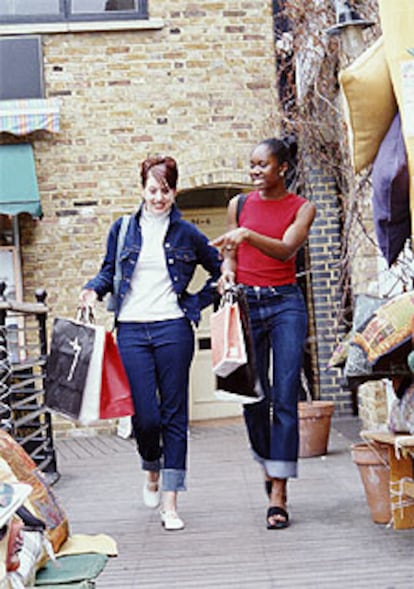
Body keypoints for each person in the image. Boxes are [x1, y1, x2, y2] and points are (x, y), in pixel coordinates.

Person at [79, 155, 221, 531]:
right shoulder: (123, 229)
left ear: (175, 191)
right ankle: (150, 466)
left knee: (174, 416)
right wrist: (93, 290)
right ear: (143, 189)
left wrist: (196, 301)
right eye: (153, 190)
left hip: (173, 329)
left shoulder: (188, 234)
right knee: (146, 416)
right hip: (131, 330)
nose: (159, 197)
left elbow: (220, 269)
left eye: (167, 190)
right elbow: (109, 270)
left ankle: (170, 504)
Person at [211, 138, 316, 529]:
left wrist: (248, 237)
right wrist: (226, 272)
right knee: (252, 397)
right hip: (246, 306)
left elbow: (287, 249)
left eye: (263, 165)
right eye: (252, 165)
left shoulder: (303, 208)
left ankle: (279, 492)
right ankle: (268, 464)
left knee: (285, 397)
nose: (255, 172)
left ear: (283, 168)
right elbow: (230, 254)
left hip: (285, 304)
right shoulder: (238, 205)